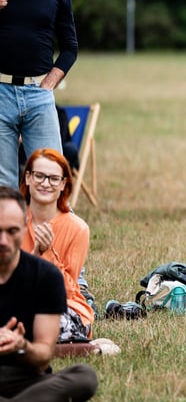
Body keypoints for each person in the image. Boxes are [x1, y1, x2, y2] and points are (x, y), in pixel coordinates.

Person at [0, 0, 79, 188]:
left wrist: (49, 84)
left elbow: (70, 47)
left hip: (39, 96)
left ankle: (47, 234)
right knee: (3, 185)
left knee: (50, 179)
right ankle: (9, 233)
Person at [0, 185, 98, 400]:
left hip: (25, 376)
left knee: (84, 376)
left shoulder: (45, 276)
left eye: (12, 231)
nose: (3, 241)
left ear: (25, 227)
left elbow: (44, 356)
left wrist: (21, 346)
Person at [20, 149, 103, 356]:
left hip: (62, 307)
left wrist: (44, 253)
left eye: (54, 179)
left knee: (38, 325)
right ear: (28, 177)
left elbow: (64, 290)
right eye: (39, 175)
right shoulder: (12, 220)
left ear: (64, 184)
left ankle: (81, 347)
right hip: (17, 301)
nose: (46, 183)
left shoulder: (77, 228)